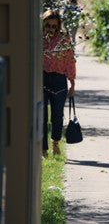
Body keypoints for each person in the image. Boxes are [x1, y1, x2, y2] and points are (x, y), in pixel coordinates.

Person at [42, 10, 76, 157]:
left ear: (58, 26)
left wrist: (72, 82)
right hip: (42, 78)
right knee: (41, 115)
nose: (51, 29)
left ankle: (55, 142)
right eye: (48, 25)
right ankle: (43, 149)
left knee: (57, 115)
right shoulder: (38, 39)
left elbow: (70, 61)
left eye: (54, 26)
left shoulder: (64, 40)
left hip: (59, 80)